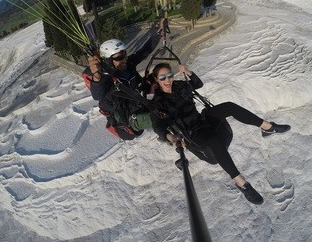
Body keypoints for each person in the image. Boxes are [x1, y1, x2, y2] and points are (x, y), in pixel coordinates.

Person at [150, 62, 291, 205]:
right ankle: (242, 183)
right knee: (213, 140)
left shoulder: (179, 85)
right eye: (162, 77)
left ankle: (267, 127)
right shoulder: (158, 102)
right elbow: (158, 126)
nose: (167, 80)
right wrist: (170, 137)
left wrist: (188, 72)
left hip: (202, 119)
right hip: (192, 133)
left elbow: (198, 84)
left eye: (169, 75)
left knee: (228, 106)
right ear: (156, 79)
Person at [82, 38, 156, 139]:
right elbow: (98, 95)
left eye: (125, 54)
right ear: (108, 60)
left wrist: (158, 34)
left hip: (140, 103)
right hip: (129, 119)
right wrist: (97, 76)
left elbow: (144, 51)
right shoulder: (105, 78)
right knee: (161, 116)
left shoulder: (127, 64)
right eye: (119, 57)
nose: (125, 59)